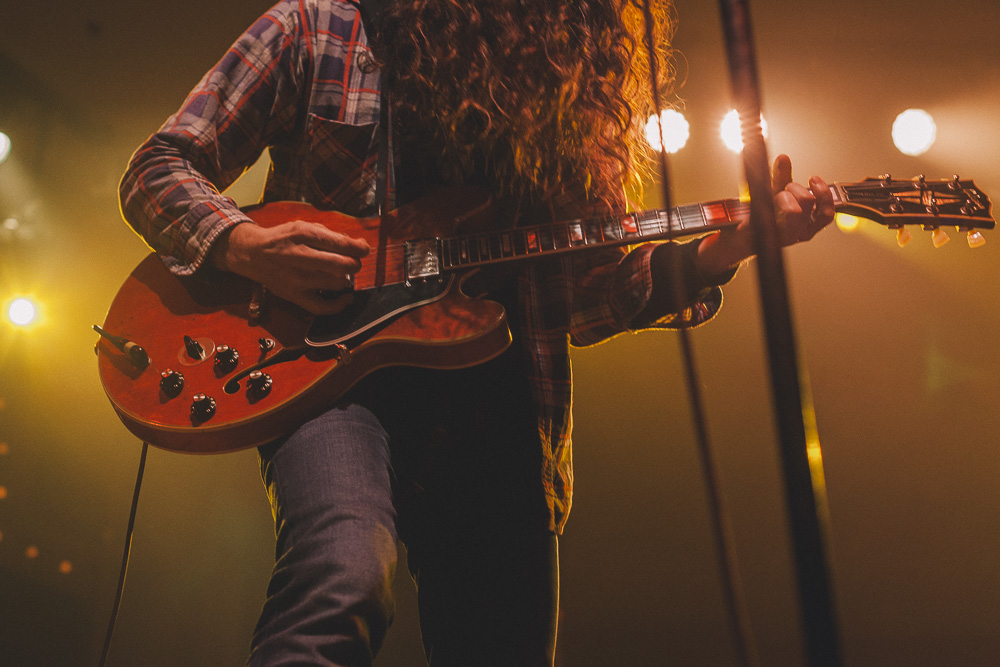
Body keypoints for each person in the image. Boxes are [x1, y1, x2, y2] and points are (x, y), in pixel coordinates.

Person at [119, 0, 834, 664]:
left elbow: (592, 288)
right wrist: (244, 246)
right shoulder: (321, 27)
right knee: (343, 575)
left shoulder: (563, 86)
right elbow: (158, 167)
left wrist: (725, 249)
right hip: (329, 380)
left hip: (505, 411)